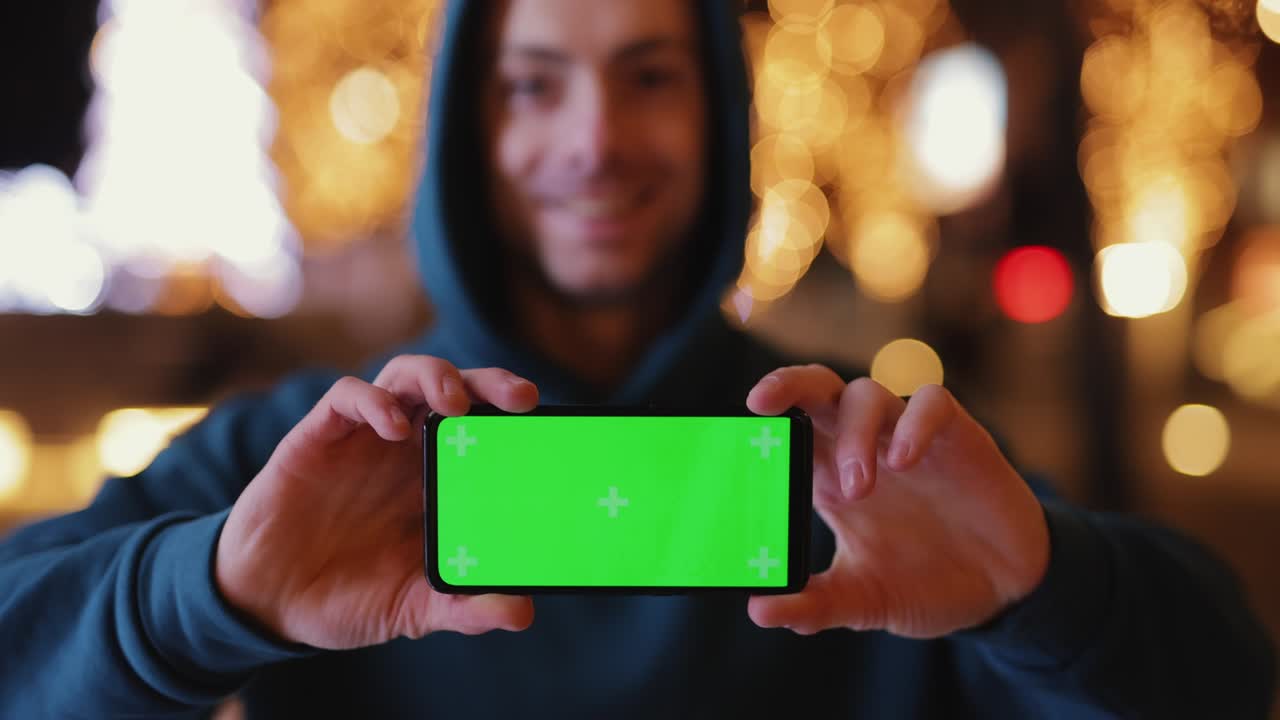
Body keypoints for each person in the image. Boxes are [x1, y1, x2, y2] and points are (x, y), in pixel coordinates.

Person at [1, 0, 1274, 717]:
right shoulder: (312, 457)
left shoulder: (860, 463)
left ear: (720, 119)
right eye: (533, 84)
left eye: (649, 76)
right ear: (462, 131)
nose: (595, 139)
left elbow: (1226, 679)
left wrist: (1049, 592)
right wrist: (201, 599)